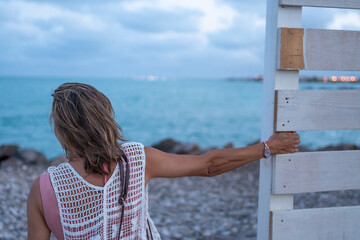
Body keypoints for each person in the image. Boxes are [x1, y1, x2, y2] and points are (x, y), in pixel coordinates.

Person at [27, 82, 300, 240]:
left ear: (61, 130)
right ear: (104, 118)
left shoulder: (43, 188)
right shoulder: (135, 159)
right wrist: (267, 148)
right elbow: (209, 165)